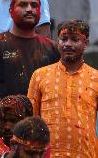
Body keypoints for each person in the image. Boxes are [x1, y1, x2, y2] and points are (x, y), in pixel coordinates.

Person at [27, 19, 98, 158]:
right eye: (63, 39)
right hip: (47, 154)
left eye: (75, 40)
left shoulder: (95, 77)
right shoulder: (40, 75)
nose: (68, 44)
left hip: (86, 153)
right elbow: (31, 120)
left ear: (86, 44)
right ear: (57, 42)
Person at [0, 0, 60, 99]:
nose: (29, 9)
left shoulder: (52, 48)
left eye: (34, 5)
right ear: (10, 11)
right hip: (3, 115)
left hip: (40, 116)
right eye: (23, 4)